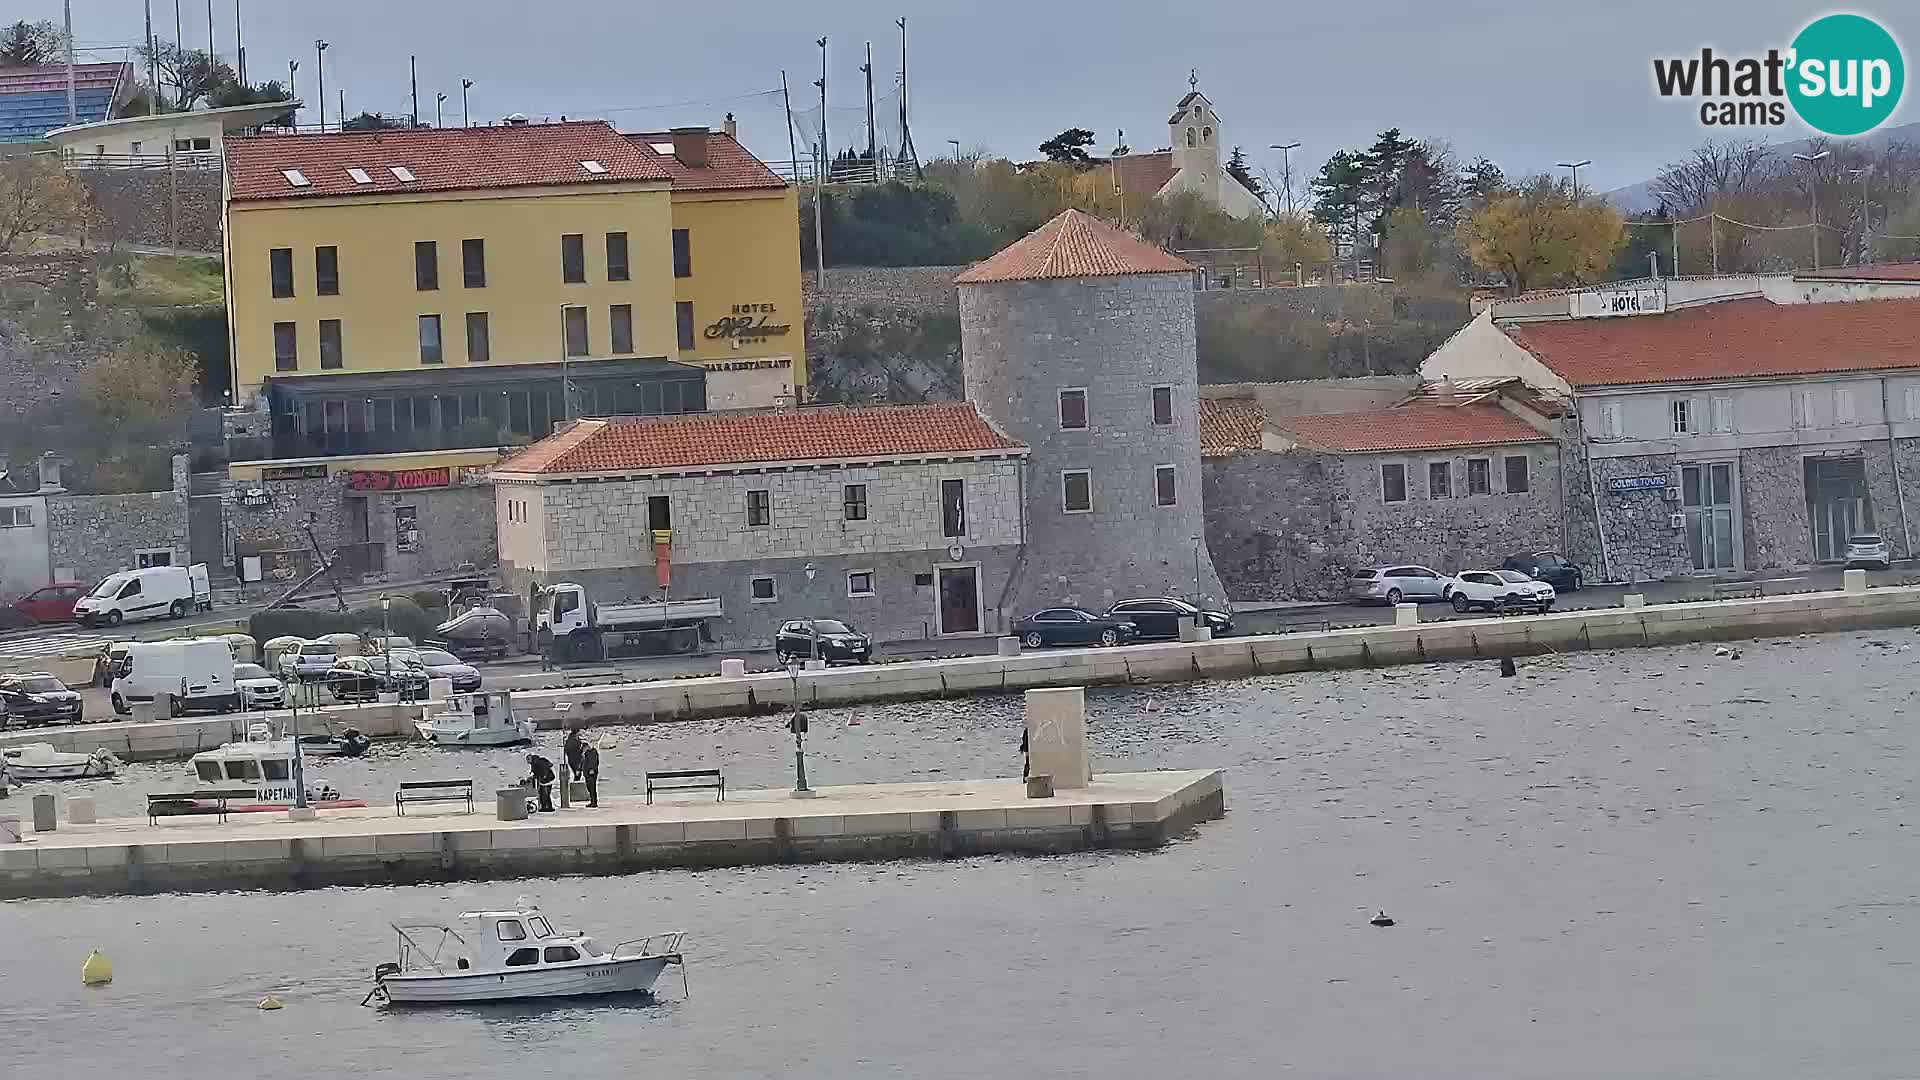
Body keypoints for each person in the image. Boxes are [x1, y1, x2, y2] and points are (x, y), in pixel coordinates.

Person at [582, 742, 601, 808]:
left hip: (591, 773)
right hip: (589, 772)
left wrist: (591, 769)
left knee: (591, 787)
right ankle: (593, 801)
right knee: (591, 788)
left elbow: (593, 762)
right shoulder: (591, 752)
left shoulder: (591, 753)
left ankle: (594, 802)